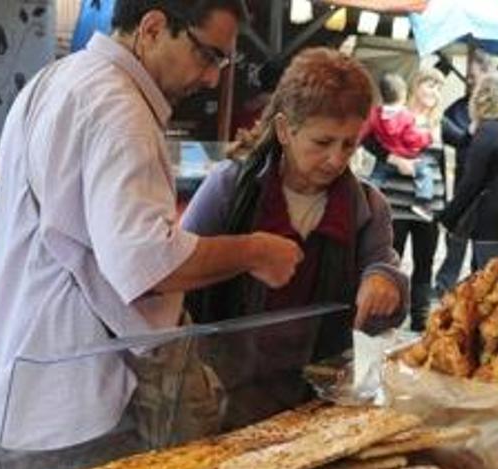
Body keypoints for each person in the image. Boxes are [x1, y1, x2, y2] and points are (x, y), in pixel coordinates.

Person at [0, 0, 304, 459]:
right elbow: (148, 263)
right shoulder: (119, 108)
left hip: (26, 383)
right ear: (152, 28)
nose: (212, 78)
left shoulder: (62, 77)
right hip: (76, 402)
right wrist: (255, 251)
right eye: (207, 55)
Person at [182, 47, 407, 424]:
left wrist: (385, 281)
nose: (337, 159)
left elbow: (383, 268)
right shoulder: (230, 189)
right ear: (285, 130)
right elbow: (180, 267)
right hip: (224, 393)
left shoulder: (368, 207)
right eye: (322, 142)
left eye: (349, 143)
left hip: (318, 398)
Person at [364, 67, 446, 331]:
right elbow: (367, 139)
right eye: (429, 84)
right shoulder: (397, 115)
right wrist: (393, 159)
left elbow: (444, 165)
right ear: (415, 86)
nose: (433, 91)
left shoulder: (441, 123)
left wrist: (444, 204)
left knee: (425, 262)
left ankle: (420, 320)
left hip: (427, 207)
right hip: (395, 204)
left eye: (438, 87)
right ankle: (388, 314)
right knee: (392, 259)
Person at [437, 72, 498, 269]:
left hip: (491, 221)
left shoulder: (488, 131)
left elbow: (471, 182)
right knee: (495, 282)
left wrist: (448, 216)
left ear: (481, 97)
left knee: (490, 287)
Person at [434, 48, 494, 294]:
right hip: (463, 180)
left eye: (474, 77)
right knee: (456, 237)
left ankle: (474, 287)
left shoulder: (495, 113)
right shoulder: (458, 108)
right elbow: (446, 132)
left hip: (487, 187)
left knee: (481, 242)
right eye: (468, 77)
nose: (470, 81)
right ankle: (444, 287)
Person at [362, 72, 434, 220]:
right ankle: (422, 203)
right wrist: (427, 138)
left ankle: (365, 199)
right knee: (425, 172)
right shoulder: (406, 116)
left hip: (386, 158)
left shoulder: (375, 113)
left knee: (376, 177)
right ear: (404, 94)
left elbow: (365, 132)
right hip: (408, 157)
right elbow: (412, 138)